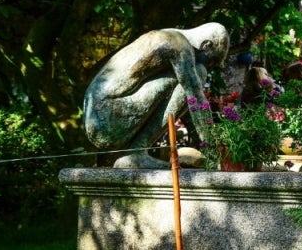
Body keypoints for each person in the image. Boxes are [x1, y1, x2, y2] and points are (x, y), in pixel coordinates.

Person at [83, 23, 230, 168]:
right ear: (206, 45)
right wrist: (215, 154)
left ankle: (134, 153)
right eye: (212, 61)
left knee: (191, 80)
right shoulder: (179, 45)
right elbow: (195, 98)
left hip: (99, 116)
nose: (210, 67)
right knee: (198, 73)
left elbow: (185, 102)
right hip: (107, 117)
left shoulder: (167, 36)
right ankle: (136, 152)